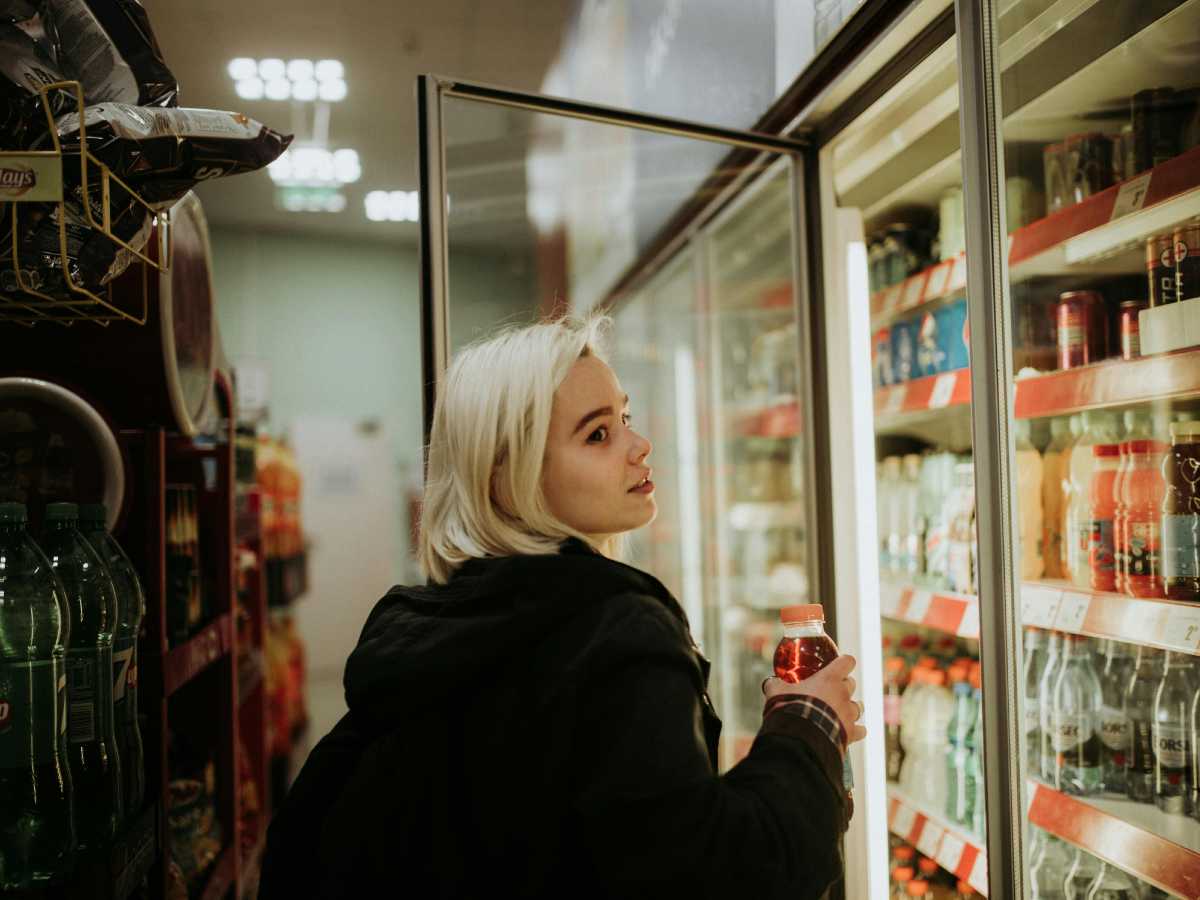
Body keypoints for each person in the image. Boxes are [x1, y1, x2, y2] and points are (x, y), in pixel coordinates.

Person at [258, 315, 865, 899]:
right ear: (506, 478)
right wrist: (806, 728)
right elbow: (711, 874)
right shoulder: (618, 633)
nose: (639, 445)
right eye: (598, 433)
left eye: (625, 418)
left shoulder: (421, 629)